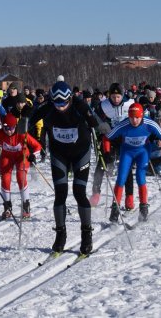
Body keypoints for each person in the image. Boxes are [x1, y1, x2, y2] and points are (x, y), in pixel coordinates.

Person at [30, 81, 99, 255]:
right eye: (56, 103)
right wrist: (23, 123)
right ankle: (60, 235)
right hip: (59, 153)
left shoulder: (79, 105)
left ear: (69, 99)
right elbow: (31, 118)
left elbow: (94, 121)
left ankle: (86, 235)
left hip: (80, 153)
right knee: (60, 193)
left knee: (78, 192)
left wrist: (95, 123)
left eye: (63, 103)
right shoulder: (50, 107)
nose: (60, 107)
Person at [105, 103, 161, 222]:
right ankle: (115, 209)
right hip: (127, 152)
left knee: (140, 177)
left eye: (137, 118)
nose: (134, 120)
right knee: (121, 178)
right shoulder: (124, 124)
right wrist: (107, 153)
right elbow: (107, 138)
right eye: (131, 118)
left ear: (141, 116)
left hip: (142, 152)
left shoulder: (149, 123)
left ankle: (143, 207)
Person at [0, 113, 42, 219]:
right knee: (5, 179)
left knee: (21, 177)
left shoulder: (21, 134)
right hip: (7, 157)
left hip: (21, 157)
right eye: (6, 128)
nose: (8, 131)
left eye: (11, 128)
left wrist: (33, 155)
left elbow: (37, 146)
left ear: (15, 126)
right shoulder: (0, 134)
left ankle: (26, 206)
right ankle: (7, 207)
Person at [91, 83, 135, 209]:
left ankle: (129, 197)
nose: (116, 99)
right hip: (109, 138)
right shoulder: (104, 105)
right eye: (113, 96)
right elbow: (96, 119)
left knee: (126, 168)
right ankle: (96, 193)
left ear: (122, 95)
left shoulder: (130, 103)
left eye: (118, 97)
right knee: (102, 164)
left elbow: (139, 116)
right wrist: (100, 129)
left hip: (125, 139)